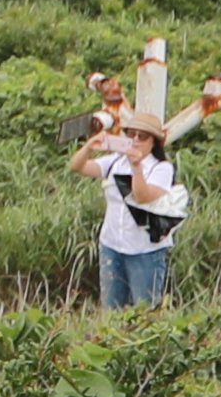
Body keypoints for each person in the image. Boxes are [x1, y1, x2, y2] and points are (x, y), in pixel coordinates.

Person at [75, 100, 193, 306]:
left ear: (153, 142)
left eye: (142, 136)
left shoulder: (161, 168)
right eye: (131, 134)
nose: (136, 140)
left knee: (144, 310)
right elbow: (78, 166)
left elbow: (142, 197)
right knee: (111, 309)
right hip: (112, 244)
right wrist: (89, 146)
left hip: (144, 250)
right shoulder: (115, 161)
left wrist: (136, 166)